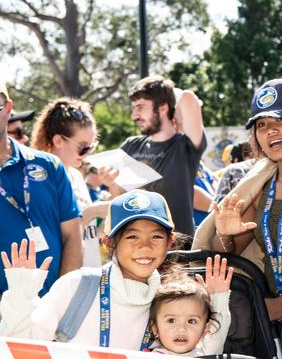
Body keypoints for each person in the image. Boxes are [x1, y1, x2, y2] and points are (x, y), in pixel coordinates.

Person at [208, 79, 282, 359]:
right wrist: (226, 234)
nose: (271, 130)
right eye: (262, 124)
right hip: (265, 317)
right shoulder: (257, 185)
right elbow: (224, 256)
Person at [0, 190, 181, 350]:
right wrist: (21, 296)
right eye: (132, 236)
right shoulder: (78, 285)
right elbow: (20, 345)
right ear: (109, 243)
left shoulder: (171, 299)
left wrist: (210, 303)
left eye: (156, 236)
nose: (145, 246)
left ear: (169, 243)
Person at [0, 84, 82, 295]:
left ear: (8, 108)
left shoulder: (49, 165)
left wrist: (61, 299)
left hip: (53, 308)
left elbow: (72, 235)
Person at [121, 76, 206, 238]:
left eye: (140, 107)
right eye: (134, 109)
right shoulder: (131, 145)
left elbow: (189, 99)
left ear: (162, 108)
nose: (134, 116)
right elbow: (119, 199)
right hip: (136, 247)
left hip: (177, 251)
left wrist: (164, 91)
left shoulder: (184, 147)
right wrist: (111, 182)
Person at [30, 98, 107, 268]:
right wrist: (92, 212)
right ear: (58, 141)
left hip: (89, 272)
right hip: (62, 278)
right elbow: (50, 231)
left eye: (92, 146)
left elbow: (89, 232)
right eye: (83, 147)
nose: (87, 153)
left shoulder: (76, 175)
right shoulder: (39, 178)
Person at [146, 257, 233, 356]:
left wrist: (218, 297)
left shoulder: (206, 353)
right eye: (171, 320)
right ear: (156, 328)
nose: (181, 328)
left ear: (205, 329)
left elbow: (218, 330)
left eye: (191, 321)